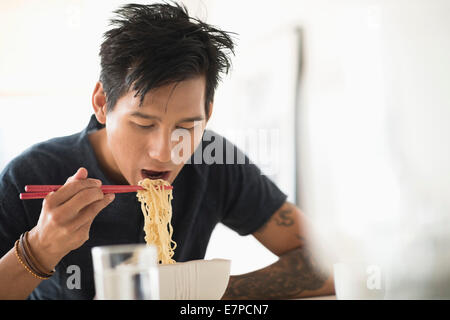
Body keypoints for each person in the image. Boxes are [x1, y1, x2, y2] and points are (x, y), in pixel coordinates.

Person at [0, 2, 334, 299]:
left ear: (209, 114)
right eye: (143, 124)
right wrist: (38, 250)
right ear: (102, 103)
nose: (164, 152)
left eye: (187, 127)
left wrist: (200, 292)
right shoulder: (31, 173)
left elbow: (327, 262)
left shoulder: (213, 158)